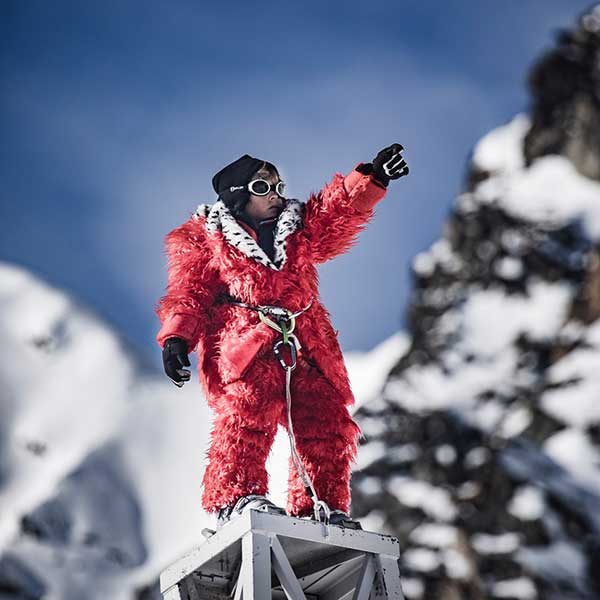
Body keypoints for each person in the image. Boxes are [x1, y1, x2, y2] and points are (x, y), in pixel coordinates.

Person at [156, 145, 409, 529]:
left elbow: (333, 213)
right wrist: (177, 339)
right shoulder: (204, 239)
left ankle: (321, 506)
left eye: (278, 185)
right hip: (247, 344)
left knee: (325, 420)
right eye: (263, 186)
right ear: (238, 195)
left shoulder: (297, 229)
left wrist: (372, 179)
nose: (276, 194)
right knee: (248, 410)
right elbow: (189, 293)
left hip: (304, 341)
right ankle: (236, 497)